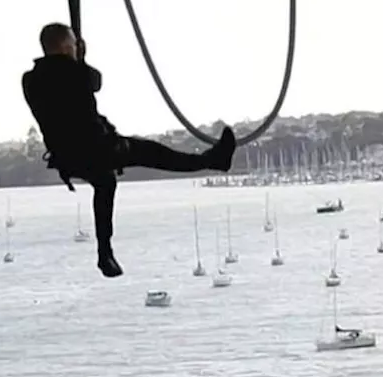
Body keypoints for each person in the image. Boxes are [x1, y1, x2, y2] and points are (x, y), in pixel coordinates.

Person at [21, 22, 237, 278]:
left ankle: (105, 254)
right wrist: (80, 59)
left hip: (68, 157)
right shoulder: (75, 72)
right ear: (68, 47)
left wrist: (76, 59)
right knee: (157, 154)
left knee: (105, 182)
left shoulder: (30, 80)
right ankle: (213, 160)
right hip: (98, 148)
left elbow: (74, 85)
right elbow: (94, 81)